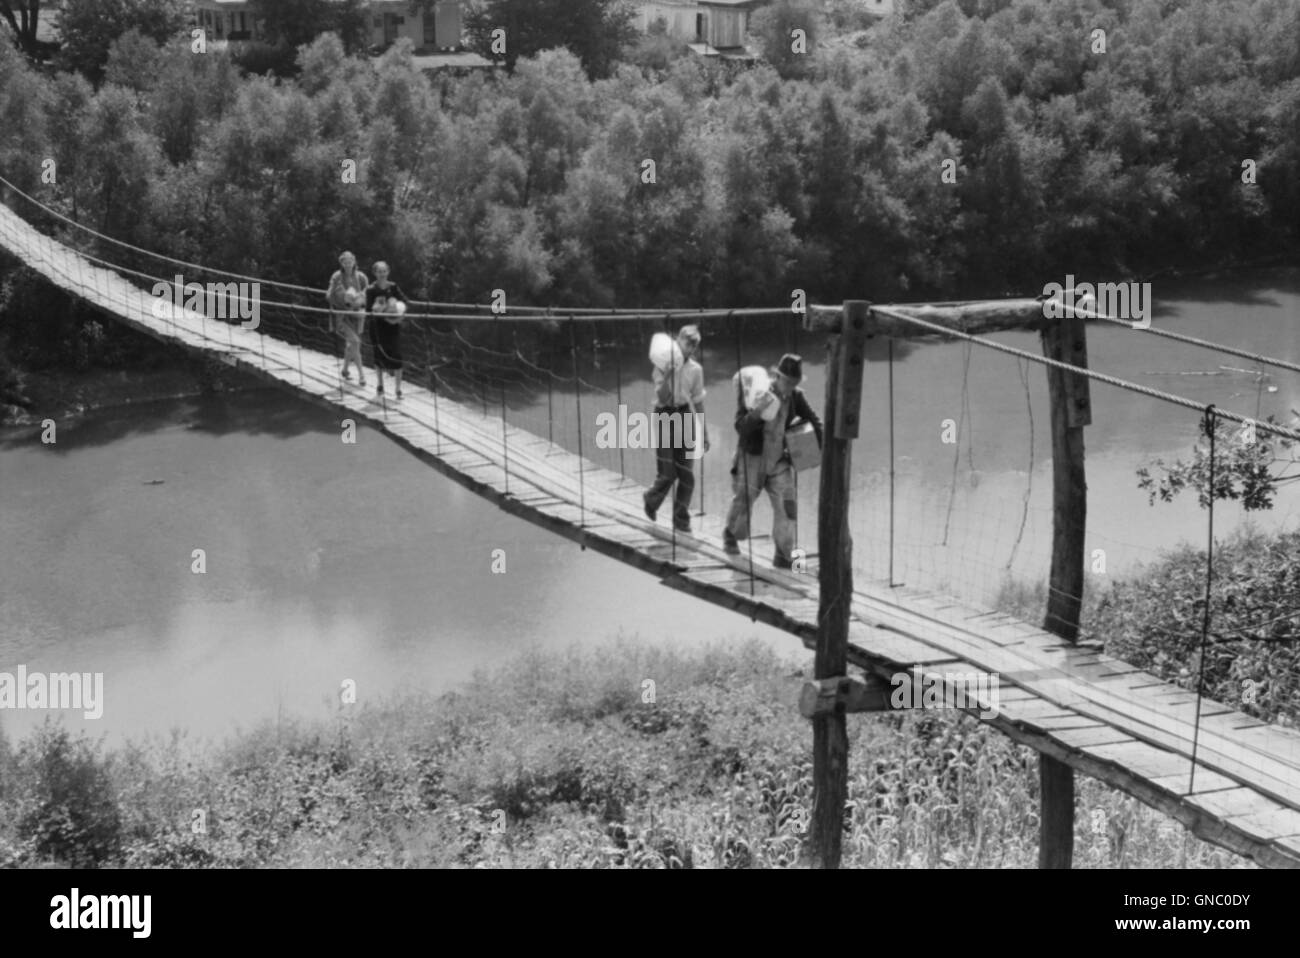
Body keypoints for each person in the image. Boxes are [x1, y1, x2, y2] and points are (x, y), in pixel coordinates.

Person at [723, 353, 823, 569]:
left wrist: (819, 448)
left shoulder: (797, 397)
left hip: (779, 462)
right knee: (743, 502)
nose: (789, 387)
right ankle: (730, 536)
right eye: (786, 381)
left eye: (793, 383)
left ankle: (786, 557)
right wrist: (758, 411)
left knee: (788, 508)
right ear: (777, 377)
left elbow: (815, 422)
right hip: (752, 458)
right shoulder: (756, 392)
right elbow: (740, 426)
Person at [643, 325, 709, 533]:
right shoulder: (662, 363)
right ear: (678, 340)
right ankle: (651, 499)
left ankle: (680, 520)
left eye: (694, 345)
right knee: (668, 473)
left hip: (684, 415)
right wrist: (670, 373)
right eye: (687, 343)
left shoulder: (696, 370)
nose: (690, 348)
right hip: (664, 414)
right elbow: (662, 396)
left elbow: (698, 401)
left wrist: (704, 431)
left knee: (687, 475)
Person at [365, 261, 410, 401]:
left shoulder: (393, 286)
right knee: (379, 356)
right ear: (375, 273)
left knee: (397, 356)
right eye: (379, 271)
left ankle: (398, 389)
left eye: (384, 271)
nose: (382, 274)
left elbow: (405, 302)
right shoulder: (371, 289)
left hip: (393, 327)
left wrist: (399, 317)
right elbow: (368, 310)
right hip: (378, 328)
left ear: (388, 272)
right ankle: (380, 385)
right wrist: (382, 314)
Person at [326, 251, 367, 386]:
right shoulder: (337, 276)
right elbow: (329, 295)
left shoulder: (361, 277)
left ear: (354, 262)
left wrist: (359, 299)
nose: (348, 264)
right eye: (345, 262)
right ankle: (361, 375)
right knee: (355, 342)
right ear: (342, 263)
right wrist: (342, 298)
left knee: (351, 345)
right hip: (342, 315)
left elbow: (367, 293)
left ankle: (344, 370)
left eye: (350, 261)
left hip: (357, 315)